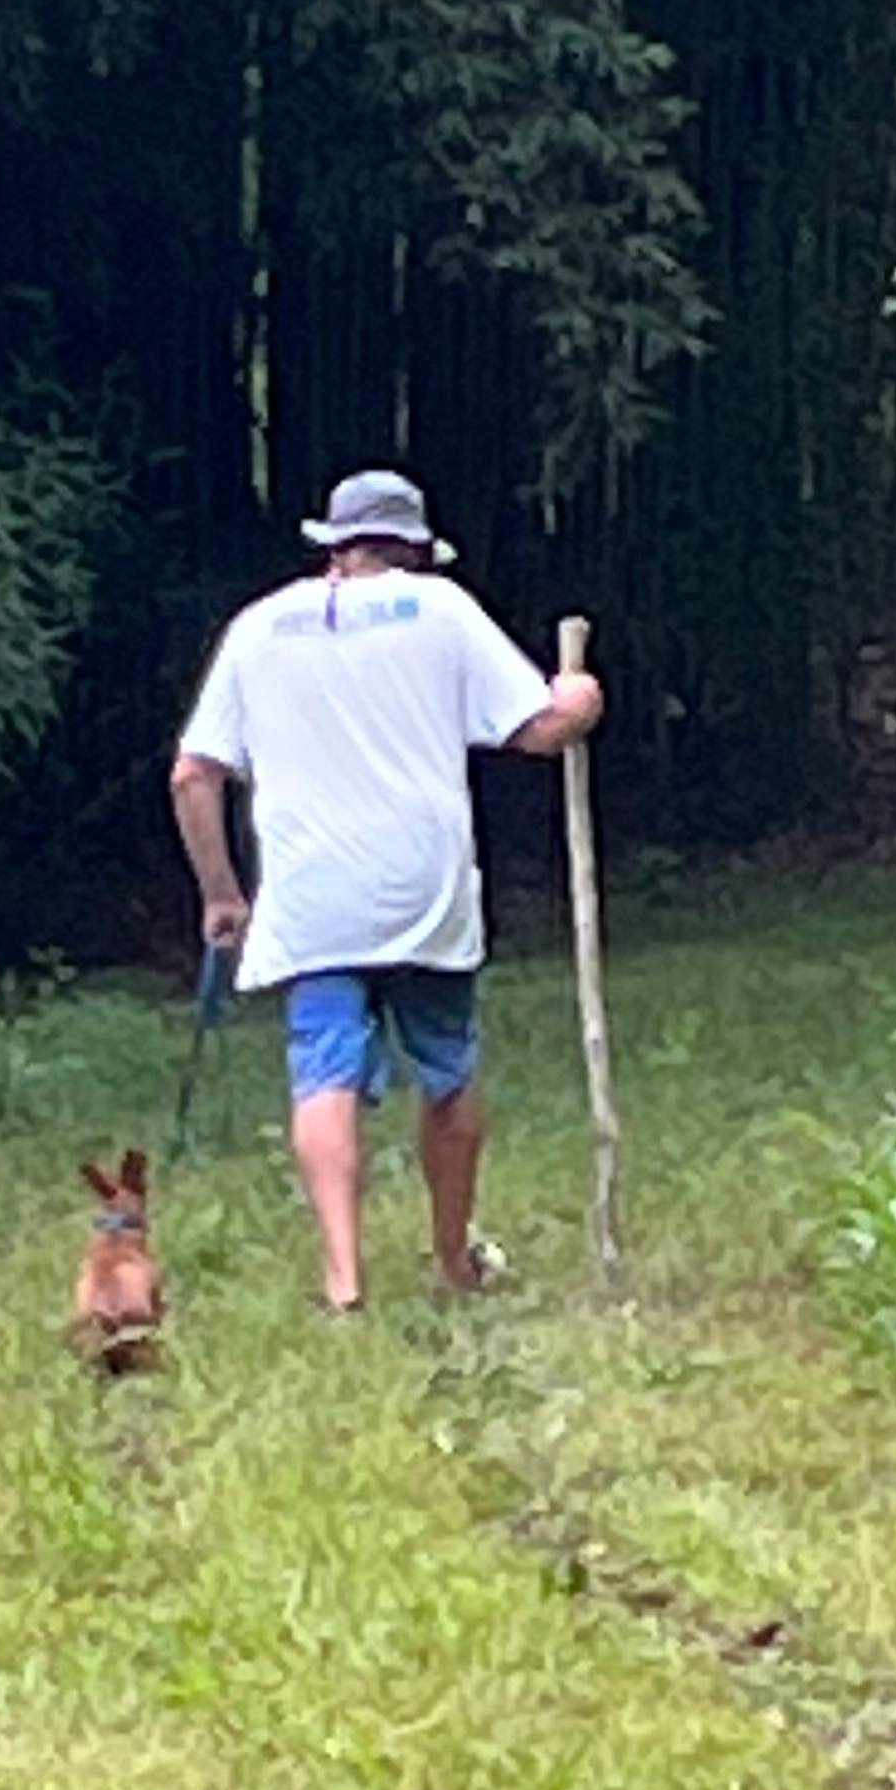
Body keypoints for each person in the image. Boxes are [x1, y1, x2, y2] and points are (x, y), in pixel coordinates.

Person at [170, 468, 605, 1311]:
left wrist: (220, 893)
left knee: (322, 1075)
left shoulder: (259, 629)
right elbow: (540, 728)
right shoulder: (440, 611)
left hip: (311, 897)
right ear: (414, 550)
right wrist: (580, 701)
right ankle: (451, 1259)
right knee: (447, 1071)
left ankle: (343, 1279)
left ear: (335, 548)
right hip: (423, 893)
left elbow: (194, 774)